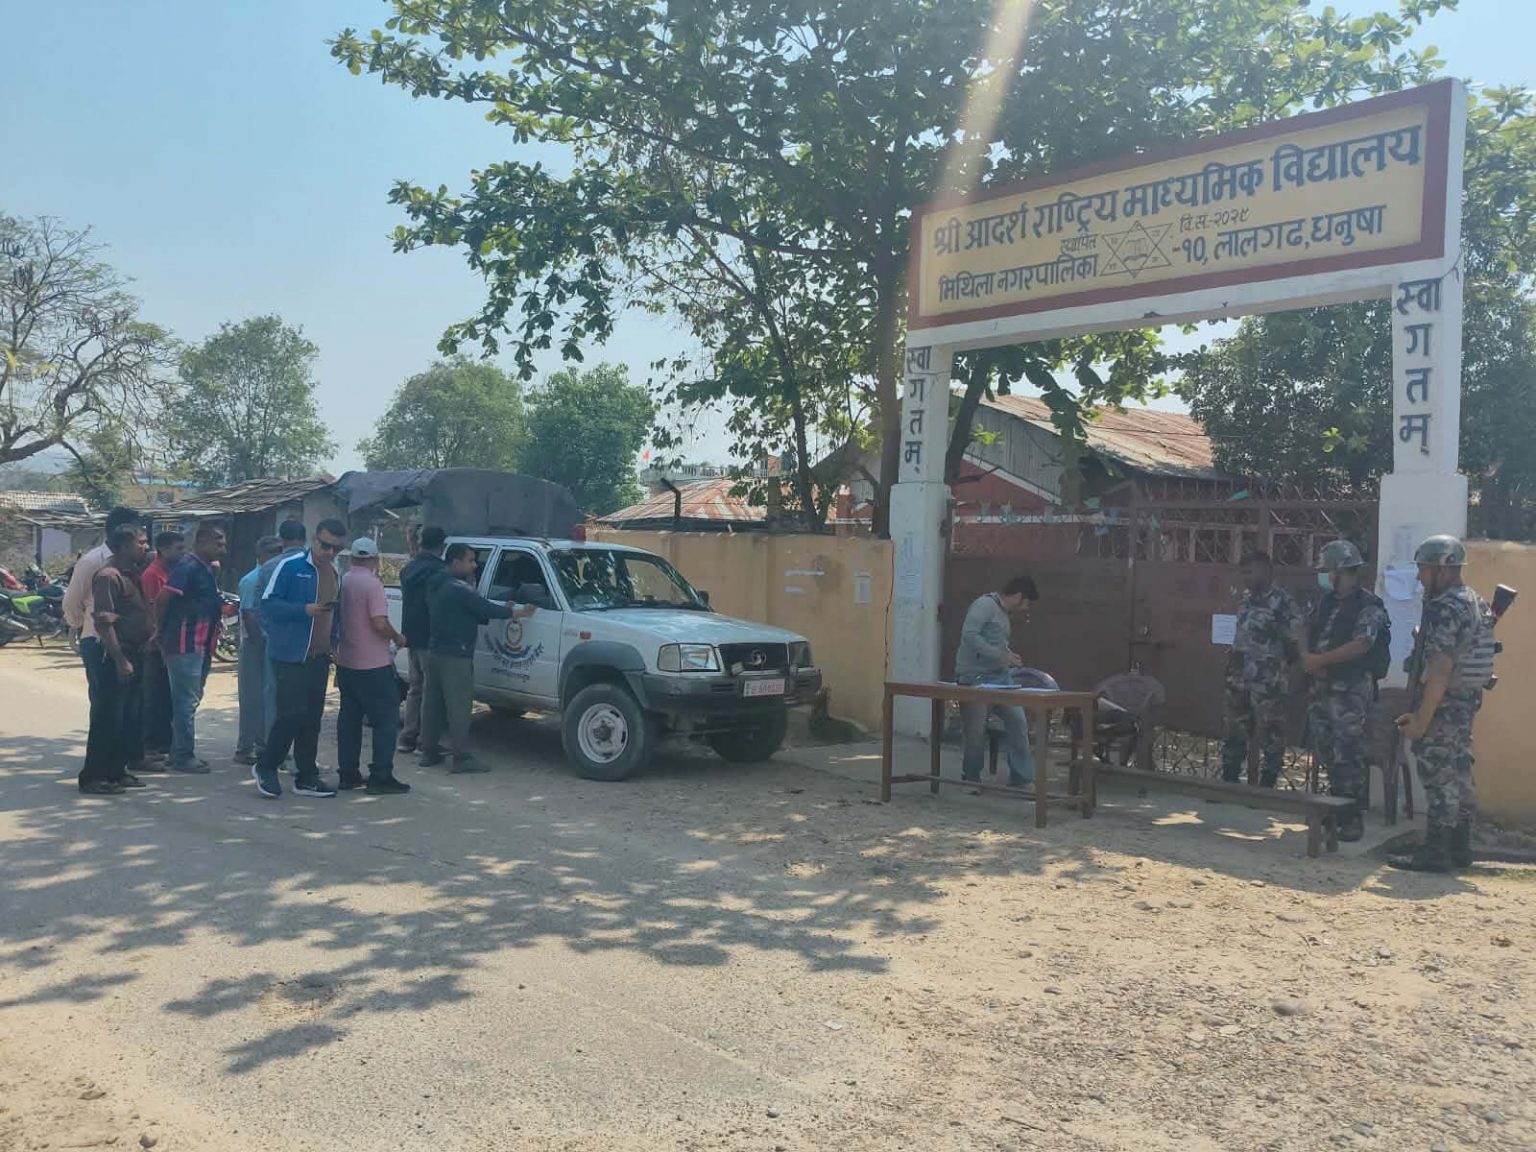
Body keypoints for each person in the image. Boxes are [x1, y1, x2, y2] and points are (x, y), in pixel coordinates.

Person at [1390, 535, 1493, 873]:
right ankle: (1459, 848)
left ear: (1442, 569)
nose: (1419, 577)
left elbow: (1440, 668)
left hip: (1445, 704)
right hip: (1464, 702)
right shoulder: (1474, 601)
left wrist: (1421, 720)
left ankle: (1436, 852)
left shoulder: (1445, 607)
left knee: (1439, 775)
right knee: (1459, 771)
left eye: (1423, 569)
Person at [252, 518, 349, 800]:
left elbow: (335, 613)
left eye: (336, 549)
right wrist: (303, 610)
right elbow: (267, 605)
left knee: (311, 719)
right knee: (290, 714)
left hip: (319, 657)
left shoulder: (334, 572)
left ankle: (306, 776)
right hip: (290, 655)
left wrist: (334, 644)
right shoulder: (290, 567)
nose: (330, 552)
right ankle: (267, 765)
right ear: (314, 540)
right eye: (326, 546)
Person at [419, 543, 533, 774]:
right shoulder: (459, 589)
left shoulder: (435, 583)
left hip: (435, 650)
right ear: (455, 562)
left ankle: (428, 752)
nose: (474, 566)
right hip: (456, 655)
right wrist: (517, 612)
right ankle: (461, 758)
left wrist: (499, 608)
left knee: (433, 705)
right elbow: (483, 608)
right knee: (459, 707)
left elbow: (471, 610)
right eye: (470, 561)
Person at [1303, 539, 1389, 843]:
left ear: (1340, 570)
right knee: (1328, 752)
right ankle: (1334, 811)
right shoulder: (1326, 603)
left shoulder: (1369, 606)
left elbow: (1362, 644)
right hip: (1323, 688)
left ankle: (1351, 819)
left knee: (1348, 755)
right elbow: (1309, 629)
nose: (1324, 575)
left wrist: (1321, 659)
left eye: (1327, 570)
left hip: (1349, 691)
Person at [78, 525, 153, 795]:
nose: (146, 547)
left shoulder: (131, 573)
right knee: (108, 718)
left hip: (136, 652)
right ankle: (93, 777)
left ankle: (116, 771)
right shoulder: (108, 576)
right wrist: (120, 660)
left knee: (128, 717)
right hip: (115, 655)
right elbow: (104, 622)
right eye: (140, 542)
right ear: (123, 546)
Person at [335, 537, 411, 794]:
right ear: (375, 559)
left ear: (352, 558)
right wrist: (397, 636)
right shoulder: (372, 584)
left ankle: (347, 774)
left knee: (349, 719)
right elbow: (379, 622)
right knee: (386, 719)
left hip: (346, 661)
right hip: (373, 665)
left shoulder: (343, 581)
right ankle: (381, 775)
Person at [1220, 552, 1299, 787]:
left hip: (1268, 682)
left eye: (1250, 572)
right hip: (1239, 678)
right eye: (1243, 572)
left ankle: (1267, 786)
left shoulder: (1283, 602)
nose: (1246, 577)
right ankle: (1229, 781)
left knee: (1271, 733)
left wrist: (1274, 665)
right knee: (1234, 730)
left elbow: (1295, 641)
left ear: (1266, 571)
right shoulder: (1246, 600)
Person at [154, 524, 228, 774]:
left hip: (202, 644)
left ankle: (179, 751)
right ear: (202, 541)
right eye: (218, 543)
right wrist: (160, 630)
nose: (223, 549)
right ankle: (183, 755)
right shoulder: (188, 567)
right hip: (185, 643)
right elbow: (163, 599)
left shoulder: (206, 568)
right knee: (186, 702)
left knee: (190, 700)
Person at [954, 575, 1039, 788]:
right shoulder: (984, 605)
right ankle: (971, 778)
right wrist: (999, 655)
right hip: (975, 677)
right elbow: (970, 636)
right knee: (976, 731)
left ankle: (1021, 778)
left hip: (1000, 679)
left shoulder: (1003, 614)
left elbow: (994, 640)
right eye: (1026, 602)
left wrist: (1009, 655)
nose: (1026, 608)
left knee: (1018, 722)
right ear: (1018, 596)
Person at [62, 506, 144, 706]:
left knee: (129, 707)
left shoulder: (136, 562)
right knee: (105, 706)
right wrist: (82, 625)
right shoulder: (92, 562)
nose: (142, 540)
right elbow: (71, 602)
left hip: (131, 643)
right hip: (99, 642)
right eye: (137, 533)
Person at [257, 519, 308, 752]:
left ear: (281, 540)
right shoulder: (316, 565)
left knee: (274, 694)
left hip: (277, 641)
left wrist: (270, 632)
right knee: (303, 699)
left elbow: (261, 608)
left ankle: (274, 750)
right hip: (308, 642)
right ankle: (300, 754)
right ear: (305, 539)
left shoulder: (269, 567)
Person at [233, 535, 284, 765]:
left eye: (279, 551)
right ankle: (245, 748)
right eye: (272, 552)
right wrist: (260, 642)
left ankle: (264, 745)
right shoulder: (252, 579)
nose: (276, 556)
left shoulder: (275, 576)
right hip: (255, 644)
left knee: (269, 697)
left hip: (270, 644)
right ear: (261, 554)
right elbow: (248, 614)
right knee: (252, 698)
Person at [397, 525, 447, 754]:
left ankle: (407, 737)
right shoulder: (440, 571)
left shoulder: (409, 569)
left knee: (415, 688)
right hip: (431, 637)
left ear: (420, 543)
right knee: (431, 690)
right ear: (442, 546)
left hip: (411, 636)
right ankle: (426, 742)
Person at [138, 530, 187, 766]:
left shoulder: (174, 571)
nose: (183, 552)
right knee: (154, 695)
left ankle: (164, 742)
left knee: (166, 695)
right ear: (164, 550)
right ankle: (151, 744)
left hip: (171, 641)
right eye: (179, 548)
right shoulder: (153, 575)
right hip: (156, 644)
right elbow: (153, 610)